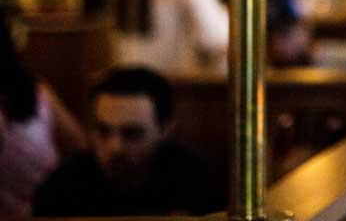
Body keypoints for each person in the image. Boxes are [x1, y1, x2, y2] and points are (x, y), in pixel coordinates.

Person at [32, 67, 222, 217]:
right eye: (103, 131)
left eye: (132, 134)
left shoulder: (194, 181)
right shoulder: (64, 187)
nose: (115, 147)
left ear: (166, 129)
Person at [0, 15, 86, 219]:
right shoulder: (37, 90)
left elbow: (82, 148)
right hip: (59, 207)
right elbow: (81, 145)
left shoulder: (37, 91)